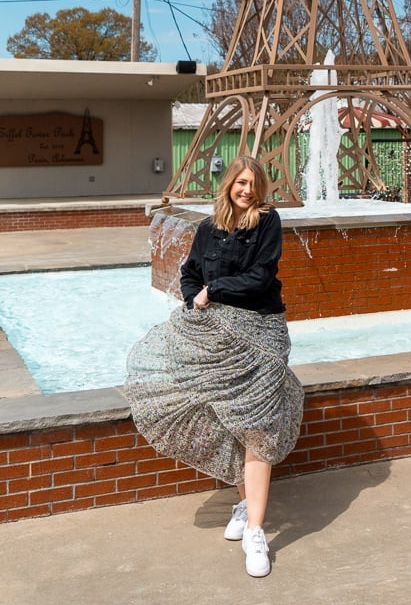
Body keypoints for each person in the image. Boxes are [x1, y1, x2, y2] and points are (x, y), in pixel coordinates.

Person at [125, 155, 304, 578]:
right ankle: (245, 501)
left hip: (260, 333)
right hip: (214, 334)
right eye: (239, 183)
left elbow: (261, 277)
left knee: (258, 424)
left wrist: (214, 289)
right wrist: (194, 297)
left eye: (252, 184)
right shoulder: (207, 229)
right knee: (226, 421)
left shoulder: (267, 221)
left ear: (260, 189)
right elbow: (189, 275)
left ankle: (257, 532)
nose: (245, 190)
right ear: (227, 185)